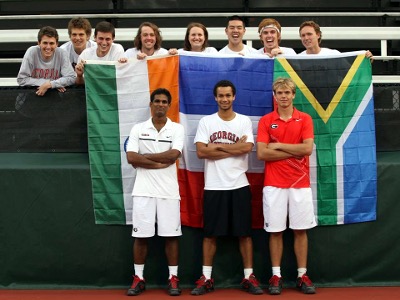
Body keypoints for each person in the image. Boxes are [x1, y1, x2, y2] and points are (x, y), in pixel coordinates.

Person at [191, 80, 263, 296]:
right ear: (215, 98)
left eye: (228, 95)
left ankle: (249, 276)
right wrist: (233, 147)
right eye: (220, 96)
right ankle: (207, 277)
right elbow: (201, 153)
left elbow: (247, 148)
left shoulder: (243, 121)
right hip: (213, 186)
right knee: (210, 235)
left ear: (234, 97)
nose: (224, 99)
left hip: (239, 184)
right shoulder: (206, 122)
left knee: (244, 234)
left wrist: (216, 146)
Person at [256, 77, 316, 295]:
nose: (283, 96)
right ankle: (276, 275)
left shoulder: (305, 119)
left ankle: (302, 275)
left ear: (293, 95)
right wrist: (295, 149)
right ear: (275, 96)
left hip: (300, 183)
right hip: (274, 184)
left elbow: (307, 149)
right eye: (279, 93)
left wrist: (279, 146)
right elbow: (262, 153)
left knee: (300, 231)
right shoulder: (266, 120)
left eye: (287, 92)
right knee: (276, 231)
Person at [126, 88, 184, 297]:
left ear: (169, 105)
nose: (160, 104)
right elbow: (132, 158)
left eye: (164, 102)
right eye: (157, 101)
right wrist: (160, 160)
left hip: (169, 192)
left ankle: (173, 278)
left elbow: (174, 155)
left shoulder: (177, 129)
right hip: (143, 191)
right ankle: (139, 278)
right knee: (141, 237)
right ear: (151, 104)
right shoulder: (137, 129)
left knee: (171, 237)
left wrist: (147, 158)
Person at [17, 26, 76, 96]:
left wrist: (51, 84)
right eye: (45, 43)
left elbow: (71, 78)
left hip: (54, 97)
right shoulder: (32, 52)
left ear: (57, 44)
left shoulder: (62, 53)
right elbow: (21, 79)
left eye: (51, 43)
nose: (48, 47)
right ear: (39, 43)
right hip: (32, 95)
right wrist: (49, 83)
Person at [298, 20, 373, 60]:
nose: (306, 38)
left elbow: (351, 72)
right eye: (303, 35)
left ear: (318, 35)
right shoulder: (297, 59)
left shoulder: (333, 55)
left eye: (309, 34)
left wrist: (365, 60)